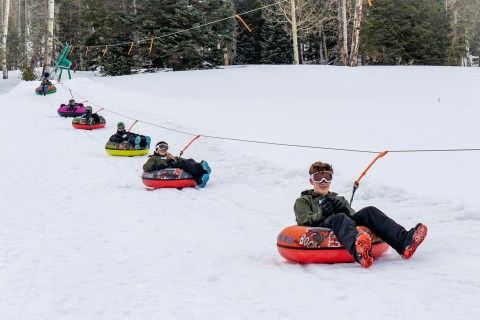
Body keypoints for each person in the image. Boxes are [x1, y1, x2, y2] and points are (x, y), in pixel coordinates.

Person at [293, 161, 427, 268]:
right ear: (311, 181)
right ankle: (360, 254)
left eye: (327, 177)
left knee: (369, 211)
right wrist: (321, 213)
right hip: (322, 226)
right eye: (318, 178)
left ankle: (404, 242)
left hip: (343, 223)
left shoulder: (338, 198)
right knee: (339, 217)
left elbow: (352, 216)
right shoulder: (304, 200)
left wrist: (345, 209)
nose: (323, 182)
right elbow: (303, 220)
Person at [143, 141, 211, 188]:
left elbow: (181, 159)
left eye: (166, 147)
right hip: (167, 170)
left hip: (174, 166)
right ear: (156, 149)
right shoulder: (153, 158)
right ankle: (201, 168)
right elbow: (145, 167)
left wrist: (175, 160)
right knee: (182, 163)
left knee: (189, 160)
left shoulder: (169, 156)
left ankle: (200, 180)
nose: (164, 149)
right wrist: (156, 166)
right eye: (161, 147)